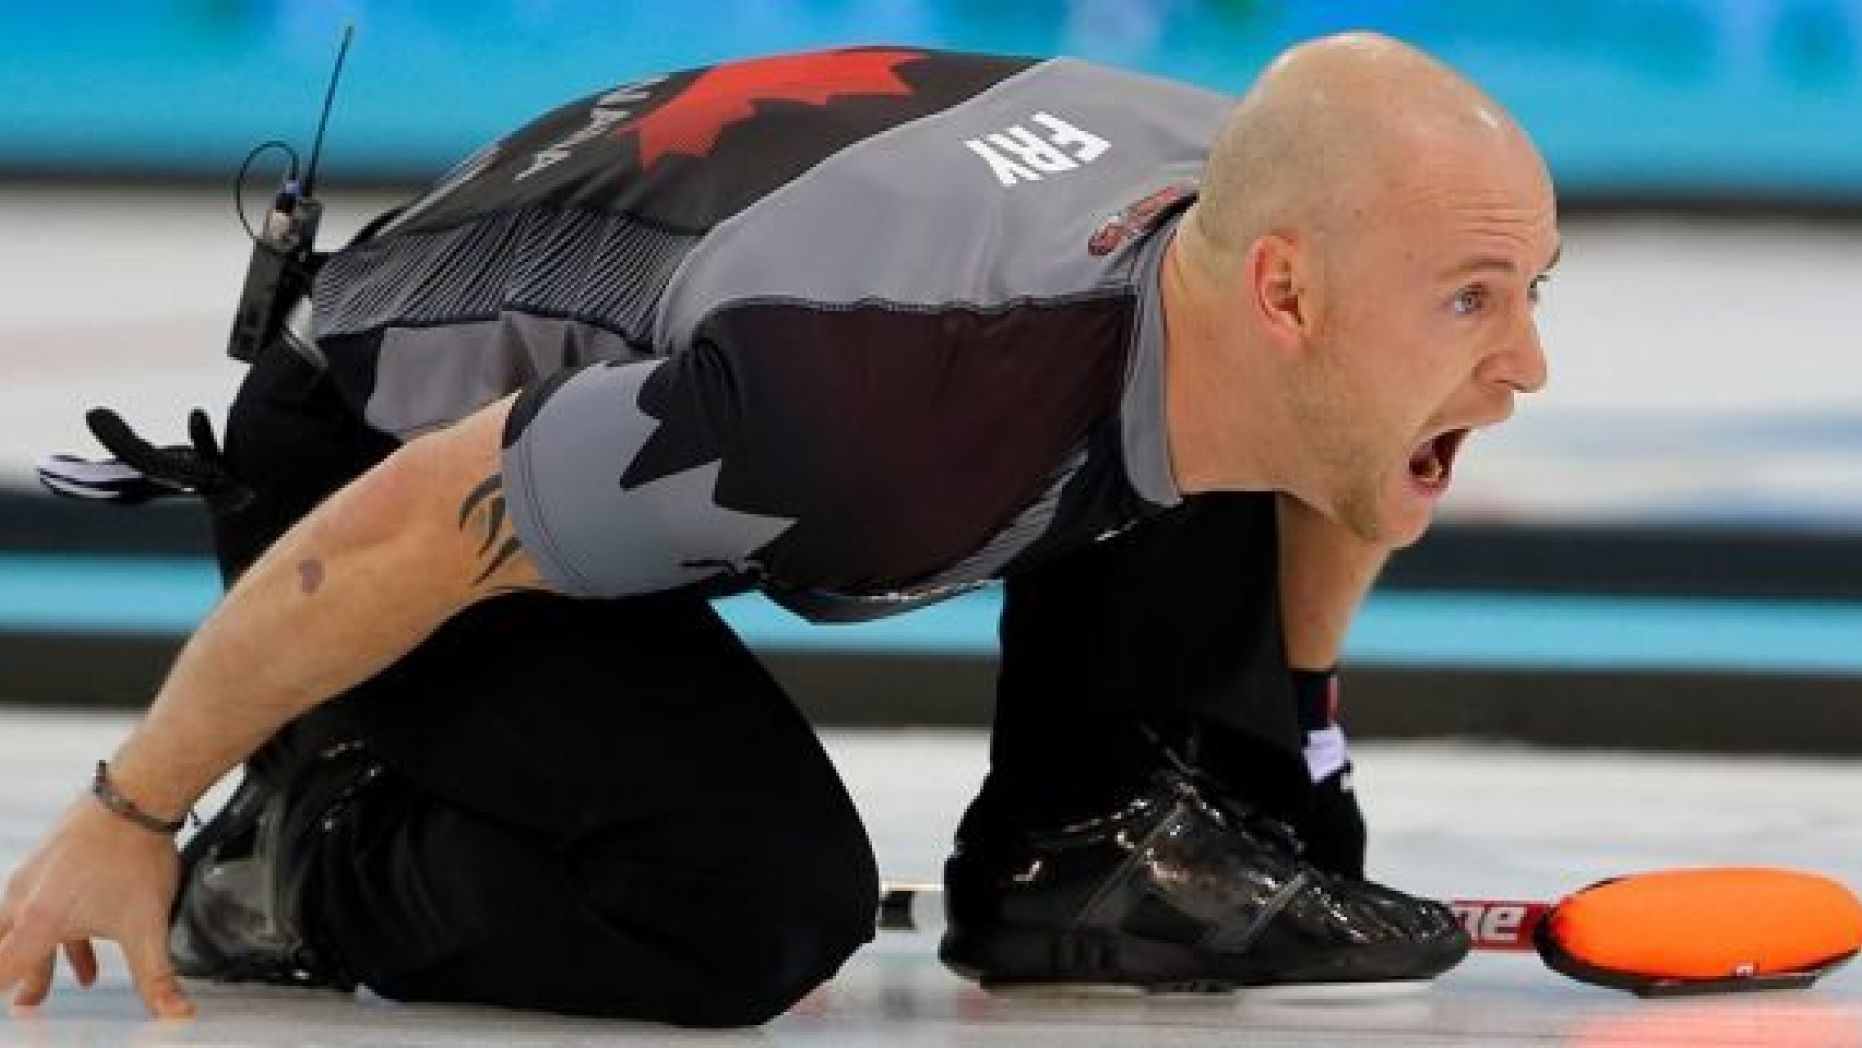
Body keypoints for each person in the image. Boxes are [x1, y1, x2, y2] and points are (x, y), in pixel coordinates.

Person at [0, 31, 1557, 1026]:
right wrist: (128, 812)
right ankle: (309, 852)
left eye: (1526, 292)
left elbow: (1365, 445)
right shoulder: (854, 400)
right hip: (370, 453)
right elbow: (406, 528)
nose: (1525, 364)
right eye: (1476, 305)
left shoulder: (1282, 225)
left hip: (819, 326)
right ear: (1286, 282)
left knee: (1278, 429)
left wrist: (1286, 749)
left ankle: (1077, 856)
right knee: (742, 908)